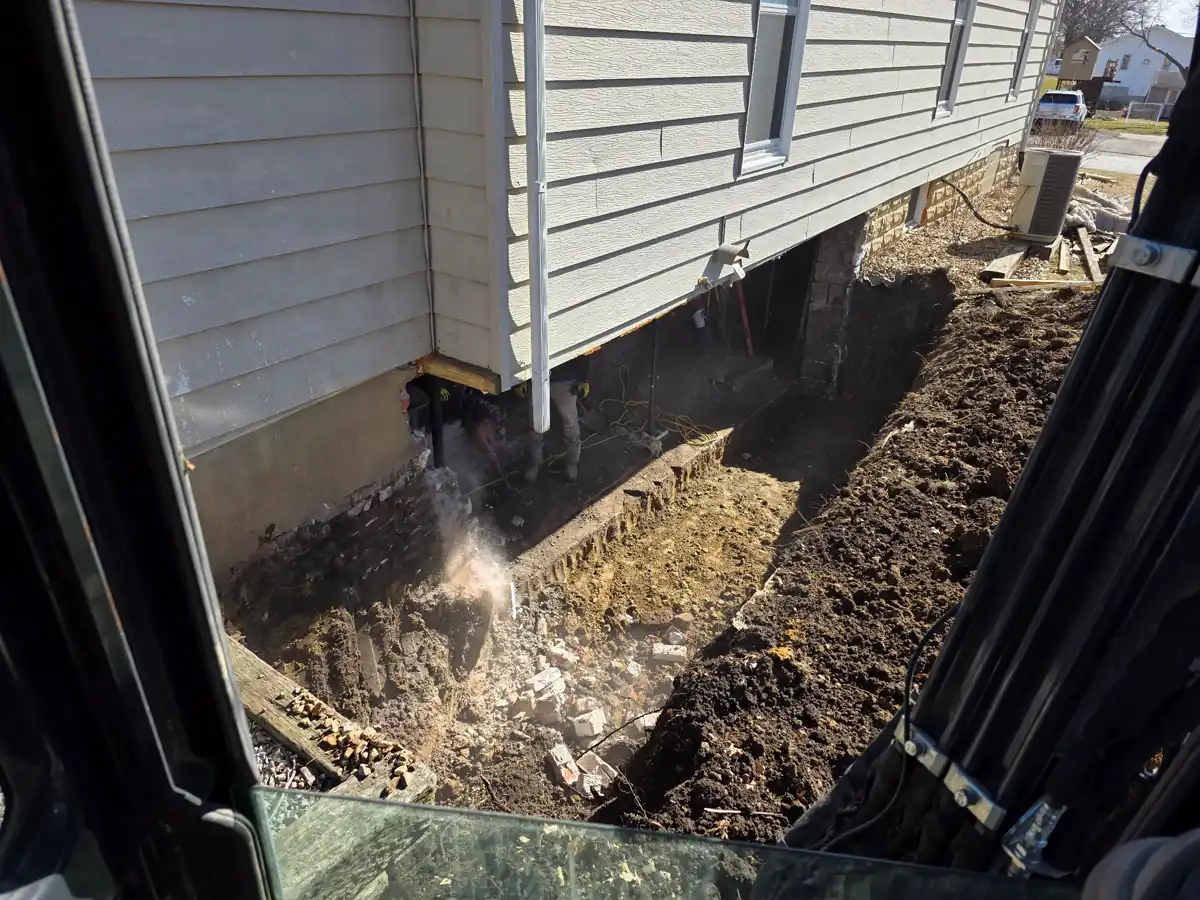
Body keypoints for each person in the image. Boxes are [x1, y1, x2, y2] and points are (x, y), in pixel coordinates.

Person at [518, 356, 591, 483]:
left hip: (565, 380)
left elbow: (584, 347)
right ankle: (535, 462)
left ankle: (572, 462)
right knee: (535, 424)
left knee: (570, 423)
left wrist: (583, 378)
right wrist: (520, 377)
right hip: (536, 378)